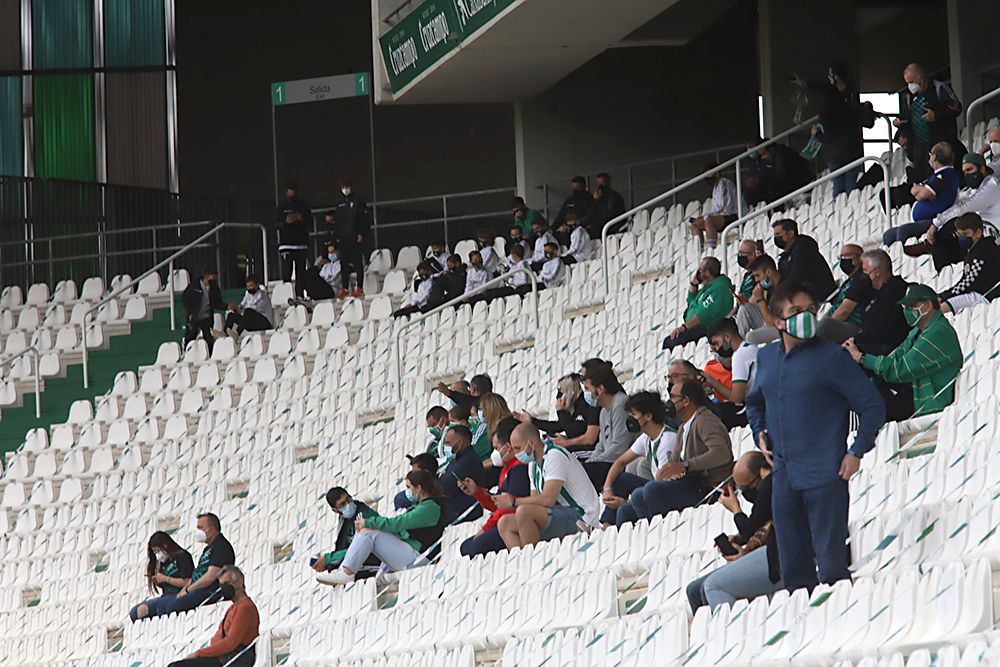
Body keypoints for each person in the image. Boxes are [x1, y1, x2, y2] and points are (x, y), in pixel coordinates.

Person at [746, 280, 885, 593]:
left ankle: (844, 626)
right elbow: (753, 402)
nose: (807, 315)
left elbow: (872, 406)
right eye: (797, 311)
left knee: (832, 565)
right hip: (783, 477)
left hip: (826, 475)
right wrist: (759, 433)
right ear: (778, 321)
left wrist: (857, 451)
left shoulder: (832, 357)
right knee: (793, 570)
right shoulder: (766, 358)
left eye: (811, 310)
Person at [617, 381, 733, 524]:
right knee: (632, 502)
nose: (669, 402)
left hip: (707, 488)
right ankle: (650, 534)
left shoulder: (705, 420)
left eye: (672, 397)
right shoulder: (683, 426)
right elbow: (676, 464)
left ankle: (665, 528)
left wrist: (686, 465)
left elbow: (722, 453)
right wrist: (669, 472)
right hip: (689, 483)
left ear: (685, 401)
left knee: (651, 490)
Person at [844, 283, 962, 421]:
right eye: (905, 307)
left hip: (927, 399)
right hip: (914, 388)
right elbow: (895, 357)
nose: (906, 311)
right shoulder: (918, 331)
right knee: (861, 384)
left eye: (911, 306)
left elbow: (900, 370)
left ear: (928, 306)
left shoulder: (939, 333)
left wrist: (861, 357)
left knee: (869, 399)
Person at [686, 451, 782, 612]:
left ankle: (729, 632)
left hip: (778, 558)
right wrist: (740, 540)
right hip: (769, 550)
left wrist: (735, 509)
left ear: (761, 472)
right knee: (695, 589)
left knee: (711, 586)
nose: (746, 493)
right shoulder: (769, 485)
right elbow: (760, 527)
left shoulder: (770, 484)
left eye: (748, 487)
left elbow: (752, 529)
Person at [319, 471, 447, 585]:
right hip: (413, 556)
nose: (407, 491)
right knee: (367, 532)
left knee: (369, 533)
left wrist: (369, 522)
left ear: (419, 488)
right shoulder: (422, 506)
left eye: (409, 487)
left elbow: (398, 523)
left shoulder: (430, 507)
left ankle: (346, 573)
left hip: (420, 559)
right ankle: (345, 571)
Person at [496, 423, 600, 548]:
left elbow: (548, 499)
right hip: (561, 515)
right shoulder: (532, 465)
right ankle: (525, 562)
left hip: (582, 516)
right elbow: (534, 501)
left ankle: (534, 561)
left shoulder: (555, 455)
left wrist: (513, 501)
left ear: (531, 443)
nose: (517, 454)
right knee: (505, 523)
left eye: (518, 448)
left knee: (524, 512)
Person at [909, 152, 1000, 270]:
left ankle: (935, 255)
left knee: (949, 229)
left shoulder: (992, 186)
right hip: (982, 232)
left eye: (970, 169)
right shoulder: (983, 186)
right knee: (948, 232)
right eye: (965, 172)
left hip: (993, 236)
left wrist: (936, 223)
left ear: (982, 168)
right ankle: (940, 267)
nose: (967, 174)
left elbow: (965, 207)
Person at [600, 392, 676, 527]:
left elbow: (659, 488)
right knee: (622, 479)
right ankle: (607, 525)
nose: (630, 419)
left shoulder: (667, 441)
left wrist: (624, 502)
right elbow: (620, 462)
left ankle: (610, 527)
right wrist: (607, 489)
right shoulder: (646, 438)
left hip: (665, 495)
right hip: (654, 489)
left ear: (648, 416)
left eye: (634, 414)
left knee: (624, 509)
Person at [459, 417, 530, 558]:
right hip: (503, 520)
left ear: (508, 447)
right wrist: (477, 492)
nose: (494, 453)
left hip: (513, 523)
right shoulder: (506, 469)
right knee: (466, 547)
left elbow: (509, 506)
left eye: (496, 448)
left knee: (474, 547)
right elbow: (497, 505)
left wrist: (485, 529)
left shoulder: (519, 469)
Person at [790, 63, 864, 198]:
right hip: (853, 151)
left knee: (839, 188)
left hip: (838, 153)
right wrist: (803, 82)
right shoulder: (851, 100)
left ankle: (840, 212)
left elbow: (828, 137)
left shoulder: (831, 114)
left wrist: (816, 134)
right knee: (851, 189)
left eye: (830, 74)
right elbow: (820, 87)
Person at [165, 565, 259, 667]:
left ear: (239, 583)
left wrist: (198, 654)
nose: (223, 588)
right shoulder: (234, 607)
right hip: (221, 659)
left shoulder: (245, 608)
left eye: (227, 584)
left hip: (231, 660)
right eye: (221, 585)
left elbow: (231, 642)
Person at [882, 141, 960, 249]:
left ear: (934, 157)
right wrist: (918, 191)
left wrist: (918, 190)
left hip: (935, 221)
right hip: (926, 220)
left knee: (902, 232)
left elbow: (921, 195)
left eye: (930, 155)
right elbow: (918, 193)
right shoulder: (939, 174)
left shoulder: (944, 175)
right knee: (889, 234)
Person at [894, 63, 963, 183]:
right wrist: (901, 121)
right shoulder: (909, 96)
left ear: (920, 78)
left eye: (911, 81)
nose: (910, 85)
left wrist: (936, 115)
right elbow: (908, 116)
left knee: (941, 181)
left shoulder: (939, 88)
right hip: (919, 147)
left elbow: (956, 107)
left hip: (940, 144)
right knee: (923, 181)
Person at [160, 513, 236, 614]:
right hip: (199, 589)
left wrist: (188, 590)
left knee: (171, 607)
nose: (198, 532)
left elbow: (210, 577)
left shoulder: (221, 547)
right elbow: (198, 573)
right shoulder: (208, 548)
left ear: (212, 529)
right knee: (162, 607)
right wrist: (184, 589)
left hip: (211, 591)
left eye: (200, 528)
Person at [579, 364, 638, 489]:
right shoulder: (604, 412)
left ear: (600, 389)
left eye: (587, 388)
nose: (585, 394)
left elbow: (619, 447)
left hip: (622, 463)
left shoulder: (621, 404)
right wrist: (590, 462)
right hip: (609, 462)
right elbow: (601, 446)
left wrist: (593, 464)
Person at [661, 257, 735, 351]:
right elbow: (691, 302)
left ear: (707, 273)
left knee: (671, 342)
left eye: (700, 270)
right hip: (696, 326)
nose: (698, 273)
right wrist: (693, 284)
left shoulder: (719, 288)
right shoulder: (707, 288)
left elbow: (704, 313)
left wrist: (684, 327)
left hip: (711, 328)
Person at [516, 373, 599, 449]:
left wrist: (561, 411)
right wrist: (532, 421)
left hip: (591, 449)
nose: (558, 397)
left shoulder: (585, 405)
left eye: (561, 392)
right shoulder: (575, 407)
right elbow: (558, 426)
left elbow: (572, 432)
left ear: (571, 392)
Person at [939, 213, 1000, 313]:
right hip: (978, 291)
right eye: (959, 235)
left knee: (943, 307)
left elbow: (968, 283)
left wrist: (944, 296)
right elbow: (965, 279)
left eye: (966, 234)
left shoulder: (982, 252)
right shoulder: (973, 250)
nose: (962, 238)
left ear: (978, 233)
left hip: (987, 294)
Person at [853, 250, 910, 356]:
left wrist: (855, 341)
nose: (862, 275)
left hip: (887, 349)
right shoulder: (874, 293)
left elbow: (882, 329)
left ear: (877, 272)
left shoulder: (895, 291)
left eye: (865, 271)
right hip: (871, 343)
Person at [130, 531, 195, 621]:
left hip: (179, 594)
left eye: (158, 551)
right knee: (136, 611)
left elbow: (188, 581)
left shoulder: (182, 557)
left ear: (165, 545)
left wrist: (166, 579)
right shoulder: (162, 563)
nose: (157, 555)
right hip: (166, 595)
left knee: (161, 607)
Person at [705, 318, 757, 428]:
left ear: (727, 337)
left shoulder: (740, 356)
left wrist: (711, 381)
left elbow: (736, 398)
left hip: (756, 406)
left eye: (716, 343)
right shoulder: (749, 348)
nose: (717, 349)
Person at [312, 487, 378, 572]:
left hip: (375, 557)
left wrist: (329, 558)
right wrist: (328, 563)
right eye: (342, 504)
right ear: (335, 510)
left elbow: (361, 548)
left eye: (348, 499)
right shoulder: (343, 519)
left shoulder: (364, 516)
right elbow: (344, 547)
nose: (348, 504)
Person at [816, 243, 872, 343]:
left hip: (854, 327)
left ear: (860, 258)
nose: (843, 259)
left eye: (846, 255)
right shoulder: (848, 282)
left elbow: (844, 311)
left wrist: (824, 326)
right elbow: (836, 307)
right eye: (841, 256)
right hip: (840, 324)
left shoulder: (861, 280)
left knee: (824, 327)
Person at [772, 219, 836, 303]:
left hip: (818, 296)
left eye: (778, 234)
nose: (776, 238)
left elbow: (796, 278)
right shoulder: (786, 256)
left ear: (791, 233)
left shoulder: (804, 248)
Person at [436, 425, 486, 524]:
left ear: (459, 442)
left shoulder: (466, 462)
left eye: (448, 443)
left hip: (463, 511)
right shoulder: (460, 458)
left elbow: (441, 488)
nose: (447, 446)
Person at [744, 138, 814, 204]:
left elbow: (780, 175)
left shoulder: (782, 153)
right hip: (795, 185)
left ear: (770, 148)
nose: (764, 157)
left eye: (764, 154)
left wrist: (758, 181)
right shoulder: (775, 156)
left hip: (803, 183)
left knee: (774, 193)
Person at [331, 180, 369, 297]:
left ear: (351, 187)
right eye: (343, 187)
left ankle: (359, 287)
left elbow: (364, 220)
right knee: (344, 263)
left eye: (347, 187)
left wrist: (361, 233)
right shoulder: (340, 203)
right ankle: (344, 288)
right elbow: (337, 224)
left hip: (354, 236)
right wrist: (335, 242)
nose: (345, 189)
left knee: (357, 262)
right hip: (343, 238)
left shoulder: (358, 201)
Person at [689, 165, 740, 251]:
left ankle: (711, 249)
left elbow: (722, 206)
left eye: (709, 175)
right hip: (720, 217)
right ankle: (699, 250)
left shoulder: (724, 183)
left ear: (717, 173)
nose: (707, 178)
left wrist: (705, 215)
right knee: (695, 224)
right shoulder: (715, 188)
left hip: (731, 215)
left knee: (708, 219)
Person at [273, 183, 311, 297]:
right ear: (286, 193)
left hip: (301, 245)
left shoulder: (303, 206)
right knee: (286, 272)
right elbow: (275, 223)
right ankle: (287, 296)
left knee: (301, 272)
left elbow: (310, 223)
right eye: (289, 192)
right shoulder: (282, 207)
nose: (292, 194)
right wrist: (286, 221)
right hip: (286, 244)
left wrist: (301, 219)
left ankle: (299, 295)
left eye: (293, 192)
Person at [182, 271, 224, 355]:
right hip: (195, 316)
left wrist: (227, 306)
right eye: (212, 277)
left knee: (208, 337)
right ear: (206, 276)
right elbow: (185, 298)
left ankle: (210, 354)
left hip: (206, 316)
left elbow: (218, 303)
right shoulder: (194, 286)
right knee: (191, 336)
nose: (214, 280)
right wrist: (190, 311)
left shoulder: (214, 289)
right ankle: (186, 354)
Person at [744, 255, 783, 345]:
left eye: (758, 275)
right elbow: (750, 303)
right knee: (744, 307)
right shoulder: (771, 288)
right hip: (773, 323)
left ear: (768, 272)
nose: (757, 280)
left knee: (751, 336)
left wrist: (760, 299)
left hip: (784, 328)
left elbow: (771, 323)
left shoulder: (783, 289)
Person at [733, 240, 768, 336]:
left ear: (753, 255)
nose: (740, 256)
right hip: (745, 311)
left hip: (765, 316)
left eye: (742, 253)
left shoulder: (764, 273)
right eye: (739, 253)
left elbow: (761, 296)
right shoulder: (747, 275)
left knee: (744, 308)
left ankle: (738, 346)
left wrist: (745, 300)